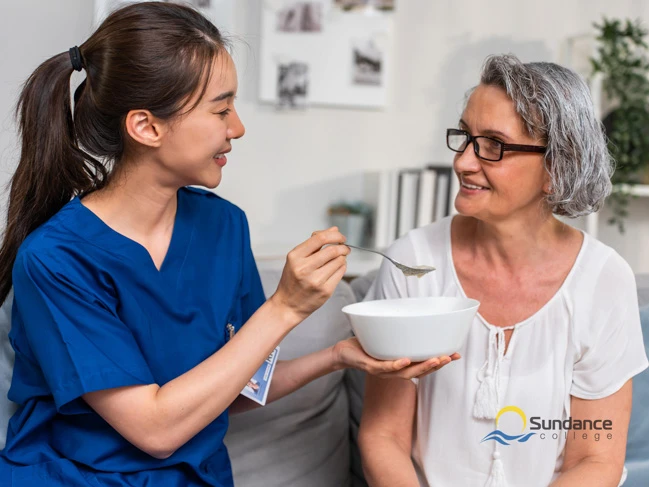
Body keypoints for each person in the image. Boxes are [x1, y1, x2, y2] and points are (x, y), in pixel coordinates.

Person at [0, 3, 457, 486]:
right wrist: (284, 308)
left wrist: (337, 356)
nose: (237, 127)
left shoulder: (224, 227)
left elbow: (232, 389)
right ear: (146, 127)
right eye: (221, 109)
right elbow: (155, 429)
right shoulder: (57, 260)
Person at [359, 54, 649, 487]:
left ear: (558, 166)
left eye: (493, 144)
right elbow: (383, 436)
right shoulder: (414, 263)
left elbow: (596, 459)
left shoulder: (605, 280)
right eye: (465, 136)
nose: (463, 162)